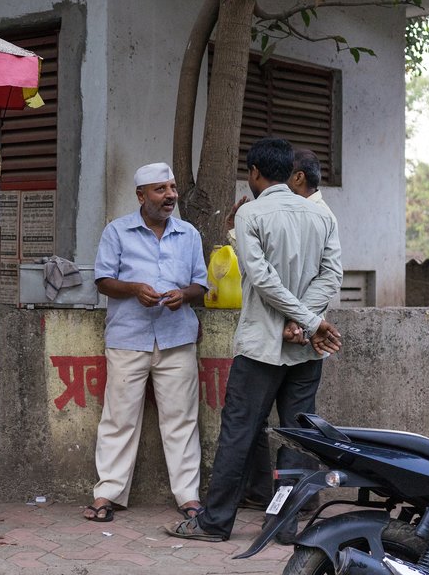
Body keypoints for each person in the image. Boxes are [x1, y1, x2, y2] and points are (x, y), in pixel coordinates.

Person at [168, 137, 342, 542]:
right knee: (298, 436)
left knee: (239, 432)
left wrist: (299, 319)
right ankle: (284, 525)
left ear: (255, 173)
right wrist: (306, 322)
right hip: (304, 349)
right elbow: (332, 276)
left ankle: (214, 523)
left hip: (262, 346)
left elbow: (262, 279)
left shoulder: (250, 215)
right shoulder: (321, 215)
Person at [83, 163, 209, 523]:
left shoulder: (188, 235)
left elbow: (201, 286)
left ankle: (188, 496)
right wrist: (134, 289)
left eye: (171, 188)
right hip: (128, 337)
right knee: (119, 418)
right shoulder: (117, 232)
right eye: (160, 189)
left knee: (181, 420)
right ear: (141, 195)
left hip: (176, 338)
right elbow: (103, 280)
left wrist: (182, 295)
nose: (170, 195)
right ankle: (108, 493)